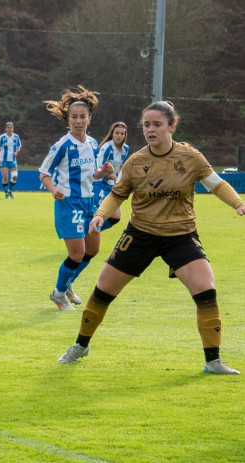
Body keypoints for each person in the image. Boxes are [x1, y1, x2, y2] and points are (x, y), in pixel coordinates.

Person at [58, 101, 245, 375]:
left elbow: (217, 184)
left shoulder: (191, 157)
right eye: (146, 125)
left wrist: (238, 203)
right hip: (141, 234)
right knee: (103, 288)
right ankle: (81, 345)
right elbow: (117, 194)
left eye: (157, 124)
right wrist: (100, 215)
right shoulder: (136, 161)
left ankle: (213, 361)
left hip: (180, 236)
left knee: (206, 291)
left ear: (172, 126)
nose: (150, 130)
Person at [39, 86, 114, 311]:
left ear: (89, 119)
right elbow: (44, 172)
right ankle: (59, 293)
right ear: (68, 119)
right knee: (77, 253)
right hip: (68, 203)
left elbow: (91, 174)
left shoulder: (92, 144)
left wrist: (103, 172)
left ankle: (68, 284)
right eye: (74, 117)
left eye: (82, 117)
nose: (78, 121)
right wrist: (53, 190)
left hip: (89, 202)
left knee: (92, 250)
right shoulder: (62, 145)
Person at [93, 122, 130, 231]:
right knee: (99, 215)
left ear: (125, 135)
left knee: (116, 217)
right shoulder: (106, 148)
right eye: (117, 133)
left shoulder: (125, 149)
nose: (119, 136)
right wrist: (118, 179)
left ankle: (90, 231)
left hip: (111, 186)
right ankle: (90, 234)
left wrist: (120, 176)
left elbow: (120, 166)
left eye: (122, 134)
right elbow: (100, 170)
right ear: (112, 134)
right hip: (99, 185)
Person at [0, 122, 22, 199]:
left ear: (13, 128)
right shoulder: (2, 137)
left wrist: (16, 152)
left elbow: (18, 147)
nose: (10, 129)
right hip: (3, 159)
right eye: (8, 127)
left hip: (12, 159)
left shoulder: (16, 137)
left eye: (11, 127)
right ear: (6, 128)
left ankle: (10, 190)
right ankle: (6, 193)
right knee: (5, 177)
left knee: (15, 176)